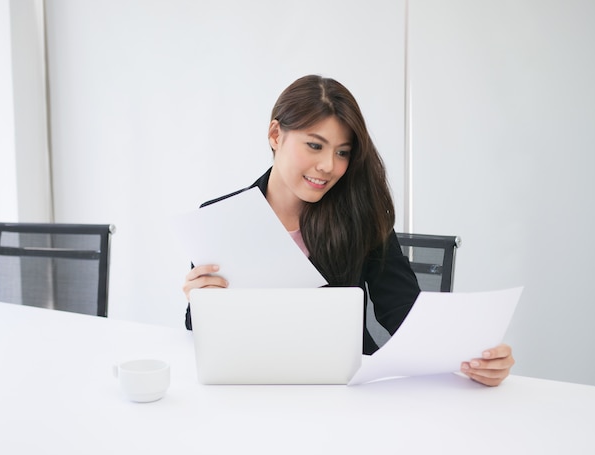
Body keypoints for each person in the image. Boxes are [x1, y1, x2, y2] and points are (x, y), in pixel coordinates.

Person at [182, 74, 514, 386]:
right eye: (315, 145)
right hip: (253, 384)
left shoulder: (361, 217)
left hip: (343, 390)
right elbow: (195, 327)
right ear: (275, 135)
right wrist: (201, 300)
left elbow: (405, 314)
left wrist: (473, 356)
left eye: (342, 152)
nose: (328, 166)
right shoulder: (222, 217)